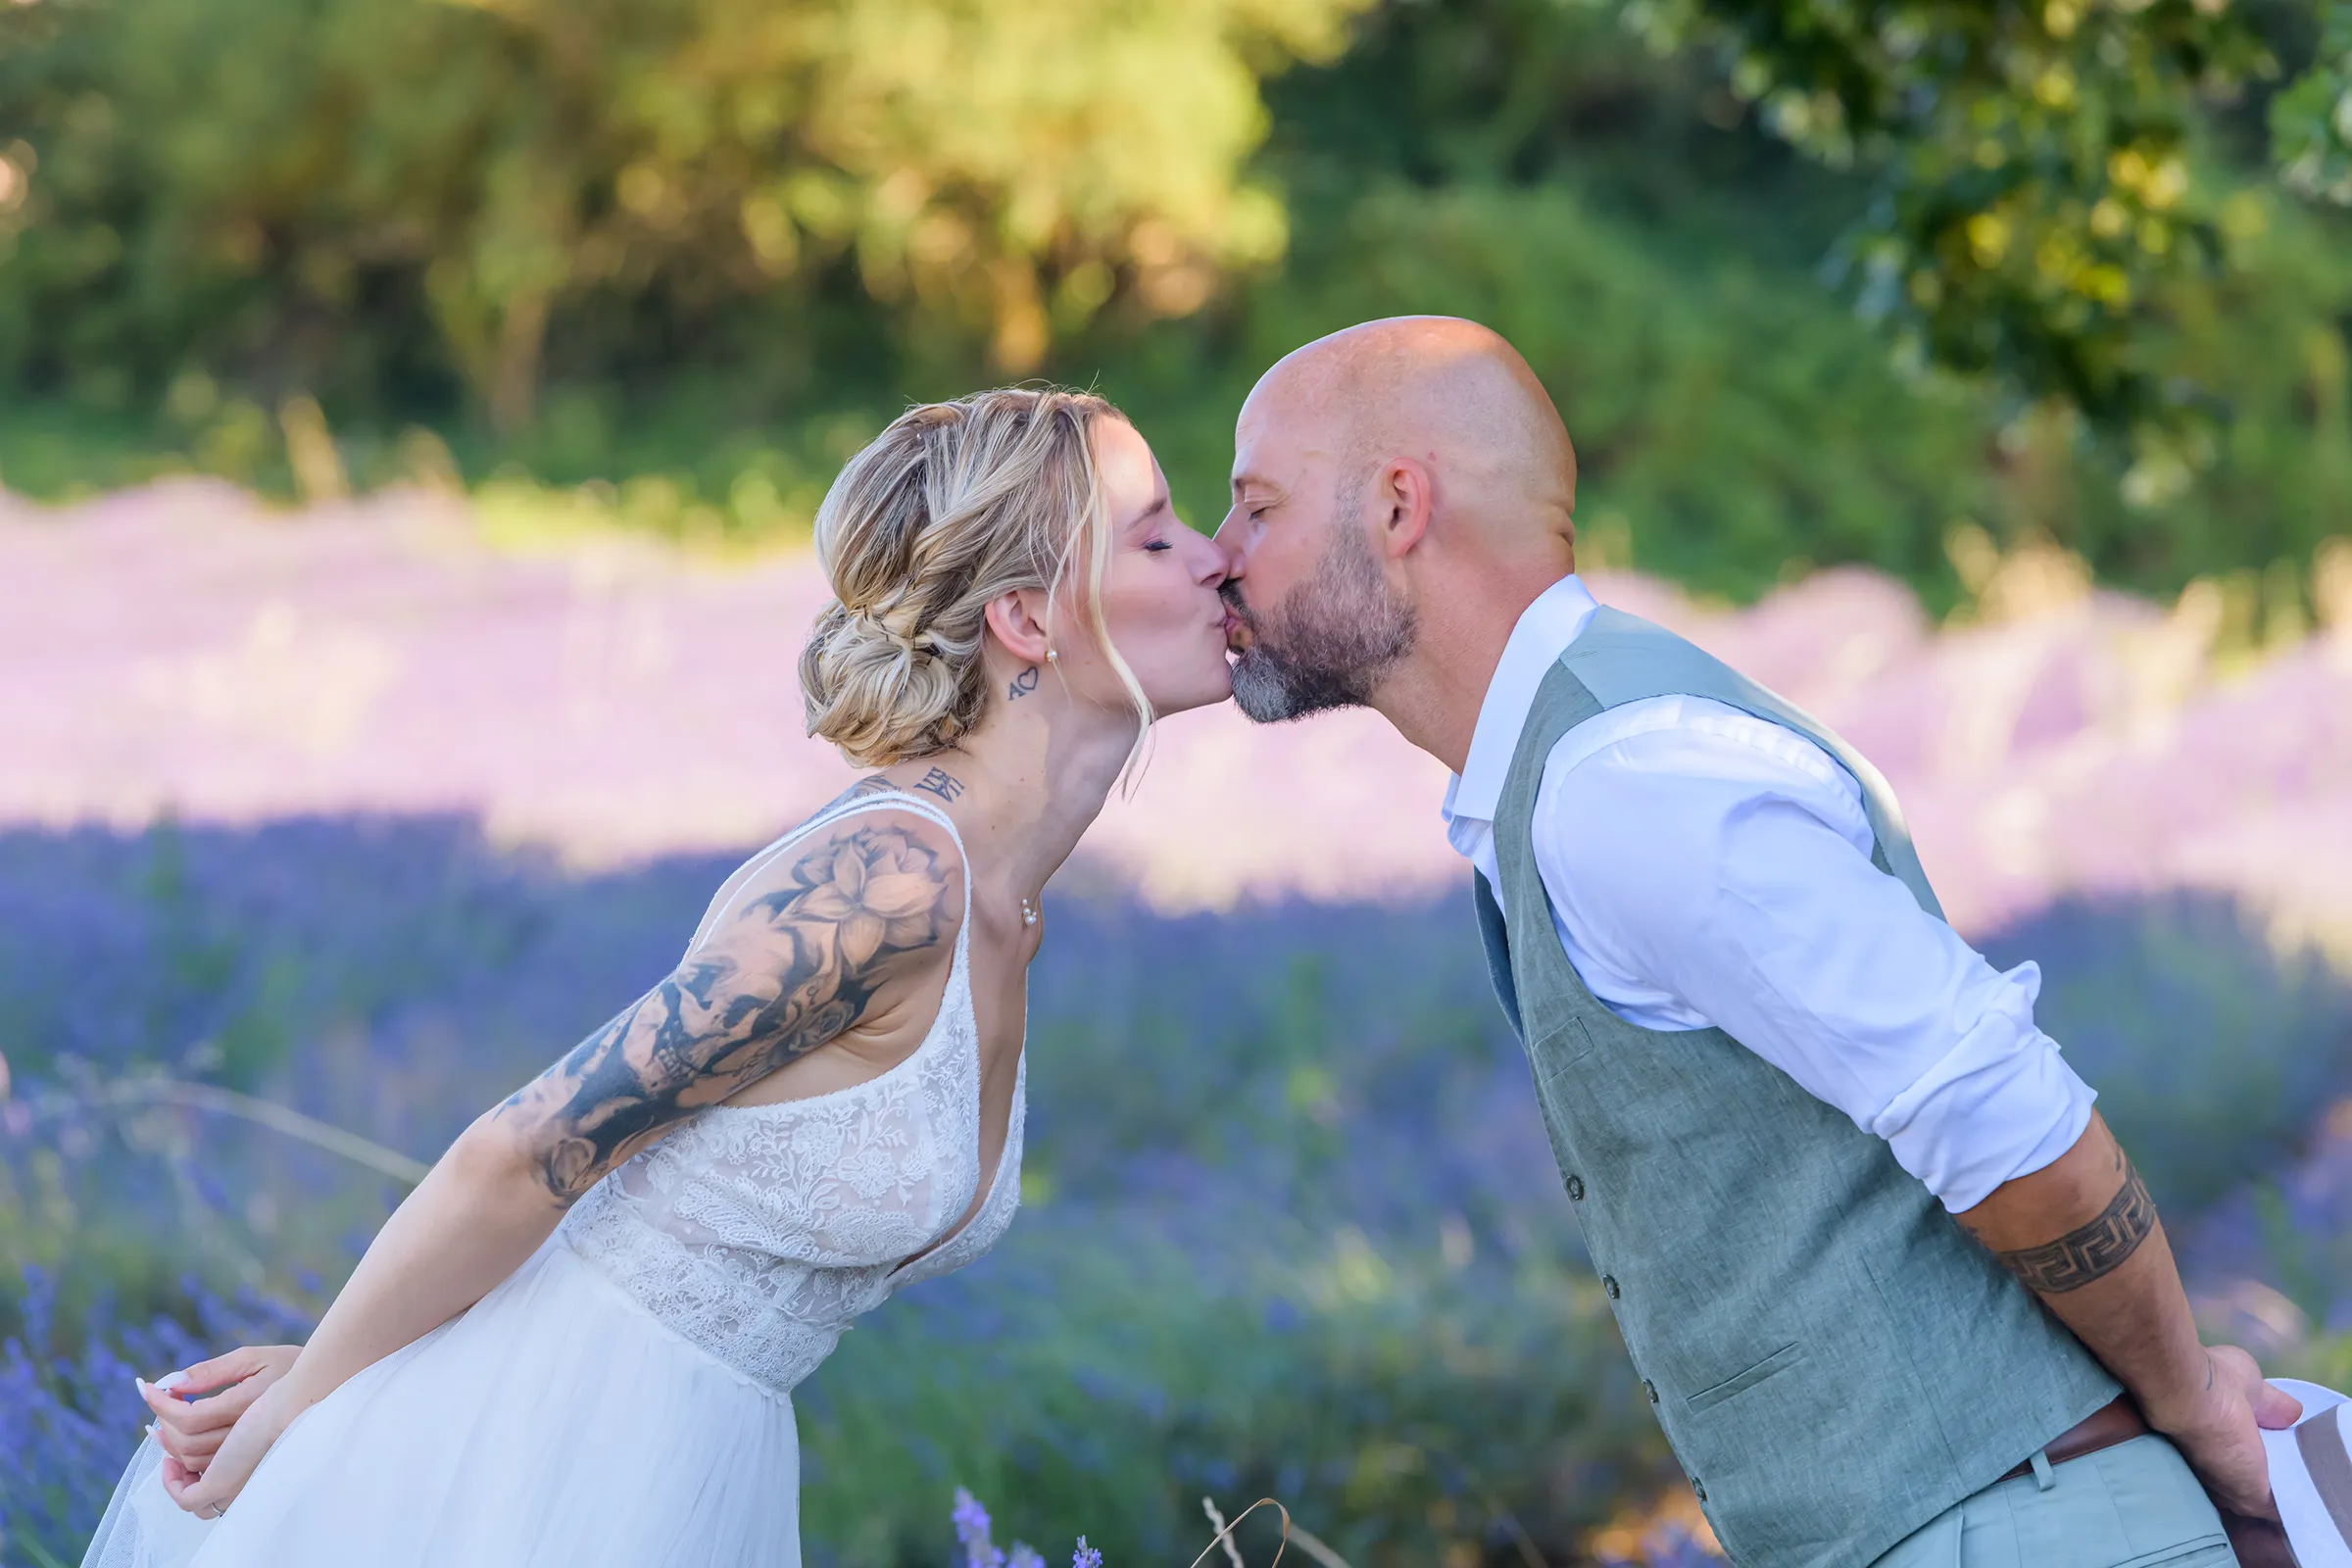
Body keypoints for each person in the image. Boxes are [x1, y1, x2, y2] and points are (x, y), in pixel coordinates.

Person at [1210, 316, 2301, 1568]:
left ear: (1399, 506)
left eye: (1254, 508)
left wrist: (2196, 1403)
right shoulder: (1562, 774)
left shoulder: (1628, 779)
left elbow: (1998, 1102)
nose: (1217, 557)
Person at [82, 387, 1238, 1568]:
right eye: (1155, 535)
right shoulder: (888, 879)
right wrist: (310, 1400)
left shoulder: (1007, 901)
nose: (1218, 558)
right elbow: (528, 1149)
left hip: (690, 1452)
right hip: (556, 1450)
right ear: (1027, 621)